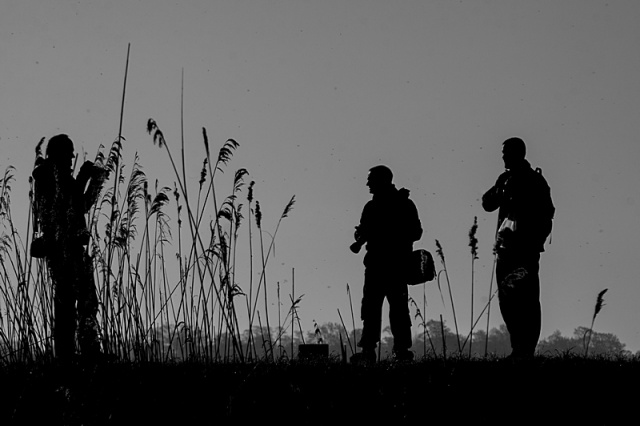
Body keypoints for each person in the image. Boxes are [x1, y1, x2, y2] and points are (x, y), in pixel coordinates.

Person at [31, 134, 107, 362]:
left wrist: (95, 181)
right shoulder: (49, 178)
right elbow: (70, 205)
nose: (72, 158)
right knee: (71, 303)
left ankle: (84, 353)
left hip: (70, 248)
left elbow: (82, 205)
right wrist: (84, 177)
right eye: (68, 154)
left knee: (84, 301)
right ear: (58, 155)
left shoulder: (59, 178)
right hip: (63, 249)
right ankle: (72, 356)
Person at [482, 137, 555, 360]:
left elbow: (547, 213)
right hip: (505, 249)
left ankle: (526, 350)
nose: (503, 157)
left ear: (518, 153)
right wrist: (501, 191)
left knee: (527, 301)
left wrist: (533, 240)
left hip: (525, 250)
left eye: (506, 153)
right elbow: (487, 203)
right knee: (507, 300)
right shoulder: (504, 179)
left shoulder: (535, 181)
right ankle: (518, 348)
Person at [350, 165, 423, 363]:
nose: (367, 184)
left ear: (381, 180)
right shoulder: (379, 206)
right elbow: (364, 230)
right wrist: (362, 234)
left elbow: (415, 232)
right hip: (383, 265)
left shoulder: (398, 205)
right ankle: (391, 350)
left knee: (390, 309)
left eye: (371, 180)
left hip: (389, 265)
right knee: (379, 309)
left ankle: (387, 351)